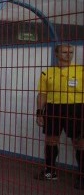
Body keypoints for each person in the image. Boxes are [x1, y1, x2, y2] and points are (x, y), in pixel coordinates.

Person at [35, 44, 83, 187]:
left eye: (71, 52)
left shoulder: (81, 70)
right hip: (53, 109)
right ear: (56, 54)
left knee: (79, 142)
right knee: (51, 140)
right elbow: (42, 94)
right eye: (64, 52)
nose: (68, 54)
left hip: (76, 108)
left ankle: (82, 176)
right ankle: (50, 171)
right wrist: (40, 113)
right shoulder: (47, 73)